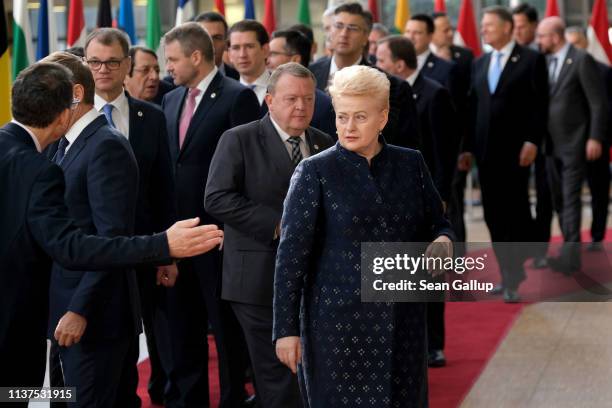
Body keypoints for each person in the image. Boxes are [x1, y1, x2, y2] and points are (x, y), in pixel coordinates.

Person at [0, 62, 223, 395]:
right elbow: (73, 247)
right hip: (15, 330)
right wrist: (163, 245)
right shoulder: (36, 168)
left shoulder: (25, 150)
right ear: (64, 112)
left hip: (75, 320)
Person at [273, 65, 454, 408]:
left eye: (360, 117)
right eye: (342, 117)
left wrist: (443, 240)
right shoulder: (315, 172)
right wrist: (285, 329)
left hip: (405, 325)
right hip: (337, 327)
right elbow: (291, 258)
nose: (348, 127)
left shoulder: (410, 164)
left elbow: (438, 223)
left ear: (383, 117)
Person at [205, 62, 334, 408]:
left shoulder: (325, 142)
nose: (301, 107)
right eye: (292, 99)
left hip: (314, 279)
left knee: (309, 371)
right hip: (256, 277)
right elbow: (216, 197)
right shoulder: (239, 139)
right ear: (270, 100)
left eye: (308, 99)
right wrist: (278, 225)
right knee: (278, 374)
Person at [161, 22, 261, 408]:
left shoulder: (237, 97)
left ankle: (235, 398)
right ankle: (190, 399)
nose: (168, 67)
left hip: (220, 237)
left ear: (196, 57)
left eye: (173, 59)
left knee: (226, 330)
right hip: (177, 237)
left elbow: (247, 173)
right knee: (182, 327)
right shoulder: (170, 100)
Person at [40, 50, 140, 407]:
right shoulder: (64, 145)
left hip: (94, 319)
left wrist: (80, 309)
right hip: (64, 312)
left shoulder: (105, 147)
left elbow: (111, 239)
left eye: (45, 92)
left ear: (75, 94)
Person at [84, 28, 176, 405]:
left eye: (111, 62)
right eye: (94, 62)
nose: (102, 69)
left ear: (128, 67)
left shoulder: (150, 117)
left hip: (142, 248)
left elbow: (163, 188)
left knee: (142, 340)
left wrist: (166, 253)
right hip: (87, 253)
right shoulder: (70, 114)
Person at [375, 35, 458, 368]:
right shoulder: (383, 93)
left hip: (426, 191)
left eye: (381, 60)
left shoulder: (434, 92)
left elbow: (443, 151)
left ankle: (434, 343)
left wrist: (440, 196)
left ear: (398, 64)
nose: (376, 66)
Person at [461, 6, 548, 302]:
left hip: (516, 153)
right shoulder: (480, 62)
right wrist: (467, 147)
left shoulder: (531, 59)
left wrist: (532, 141)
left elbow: (539, 105)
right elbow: (473, 108)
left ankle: (513, 274)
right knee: (494, 216)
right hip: (485, 154)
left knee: (514, 213)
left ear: (508, 28)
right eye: (482, 25)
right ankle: (509, 272)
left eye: (489, 25)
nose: (483, 30)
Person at [537, 17, 608, 273]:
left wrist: (595, 137)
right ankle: (569, 249)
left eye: (542, 36)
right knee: (558, 200)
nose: (539, 41)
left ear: (555, 37)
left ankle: (571, 258)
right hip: (550, 146)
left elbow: (598, 103)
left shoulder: (581, 59)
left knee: (570, 199)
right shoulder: (545, 61)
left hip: (575, 144)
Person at [309, 2, 421, 149]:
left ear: (366, 36)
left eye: (353, 28)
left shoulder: (392, 86)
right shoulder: (310, 75)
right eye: (338, 26)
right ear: (329, 31)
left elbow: (404, 142)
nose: (344, 34)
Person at [512, 4, 552, 270]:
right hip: (517, 139)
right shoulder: (507, 58)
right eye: (513, 26)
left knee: (545, 195)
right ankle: (523, 247)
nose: (517, 31)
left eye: (521, 26)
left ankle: (540, 249)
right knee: (518, 197)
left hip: (547, 141)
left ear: (534, 26)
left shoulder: (543, 56)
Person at [566, 26, 612, 252]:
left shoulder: (604, 70)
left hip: (596, 143)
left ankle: (597, 235)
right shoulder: (561, 70)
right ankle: (571, 240)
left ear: (585, 43)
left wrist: (599, 137)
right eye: (570, 44)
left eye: (577, 43)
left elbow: (606, 107)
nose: (573, 49)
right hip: (569, 143)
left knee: (599, 191)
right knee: (568, 194)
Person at [268, 29, 336, 136]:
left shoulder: (324, 106)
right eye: (291, 99)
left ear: (295, 59)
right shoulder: (242, 138)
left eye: (273, 54)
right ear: (269, 101)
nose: (267, 59)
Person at [228, 20, 271, 111]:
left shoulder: (283, 87)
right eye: (236, 48)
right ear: (229, 54)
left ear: (265, 50)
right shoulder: (224, 93)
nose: (242, 55)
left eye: (249, 46)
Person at [194, 11, 240, 80]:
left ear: (226, 43)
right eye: (205, 37)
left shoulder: (239, 78)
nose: (211, 43)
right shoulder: (176, 82)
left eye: (217, 38)